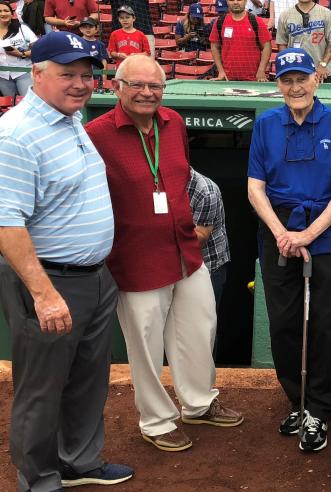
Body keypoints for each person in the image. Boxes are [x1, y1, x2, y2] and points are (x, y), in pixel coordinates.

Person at [85, 55, 244, 453]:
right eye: (137, 85)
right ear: (116, 87)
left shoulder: (173, 123)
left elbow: (177, 180)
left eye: (155, 86)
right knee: (145, 342)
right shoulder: (95, 134)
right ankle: (156, 421)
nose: (146, 93)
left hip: (185, 251)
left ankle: (199, 402)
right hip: (135, 259)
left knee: (200, 327)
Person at [0, 31, 134, 492]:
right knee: (42, 387)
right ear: (35, 75)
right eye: (66, 75)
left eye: (86, 75)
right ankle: (38, 478)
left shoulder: (69, 118)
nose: (80, 84)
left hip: (94, 277)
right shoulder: (17, 134)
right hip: (49, 280)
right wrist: (43, 293)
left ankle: (79, 460)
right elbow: (6, 224)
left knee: (87, 379)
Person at [247, 48, 331, 453]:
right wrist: (283, 232)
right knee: (283, 321)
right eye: (287, 80)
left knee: (327, 322)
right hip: (278, 228)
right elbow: (254, 188)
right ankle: (297, 400)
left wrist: (308, 234)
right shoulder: (265, 124)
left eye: (302, 78)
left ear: (317, 78)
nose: (295, 86)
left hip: (330, 229)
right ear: (277, 83)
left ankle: (321, 406)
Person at [187, 168, 231, 312]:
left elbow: (199, 239)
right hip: (178, 267)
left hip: (208, 267)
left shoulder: (205, 190)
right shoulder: (160, 185)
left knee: (205, 326)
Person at [276, 0, 331, 82]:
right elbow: (282, 43)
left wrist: (323, 64)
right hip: (295, 73)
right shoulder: (285, 15)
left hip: (322, 73)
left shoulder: (326, 13)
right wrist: (288, 66)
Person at [209, 0, 271, 81]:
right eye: (231, 0)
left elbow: (267, 45)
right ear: (227, 1)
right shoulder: (220, 22)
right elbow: (214, 46)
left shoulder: (256, 21)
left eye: (239, 0)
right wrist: (221, 71)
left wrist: (261, 70)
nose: (235, 2)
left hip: (253, 80)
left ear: (245, 1)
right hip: (227, 80)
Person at [0, 0, 37, 98]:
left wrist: (22, 54)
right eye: (0, 11)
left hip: (24, 72)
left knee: (29, 102)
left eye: (6, 10)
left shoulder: (22, 29)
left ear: (12, 14)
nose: (3, 13)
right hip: (3, 76)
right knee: (11, 107)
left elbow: (38, 49)